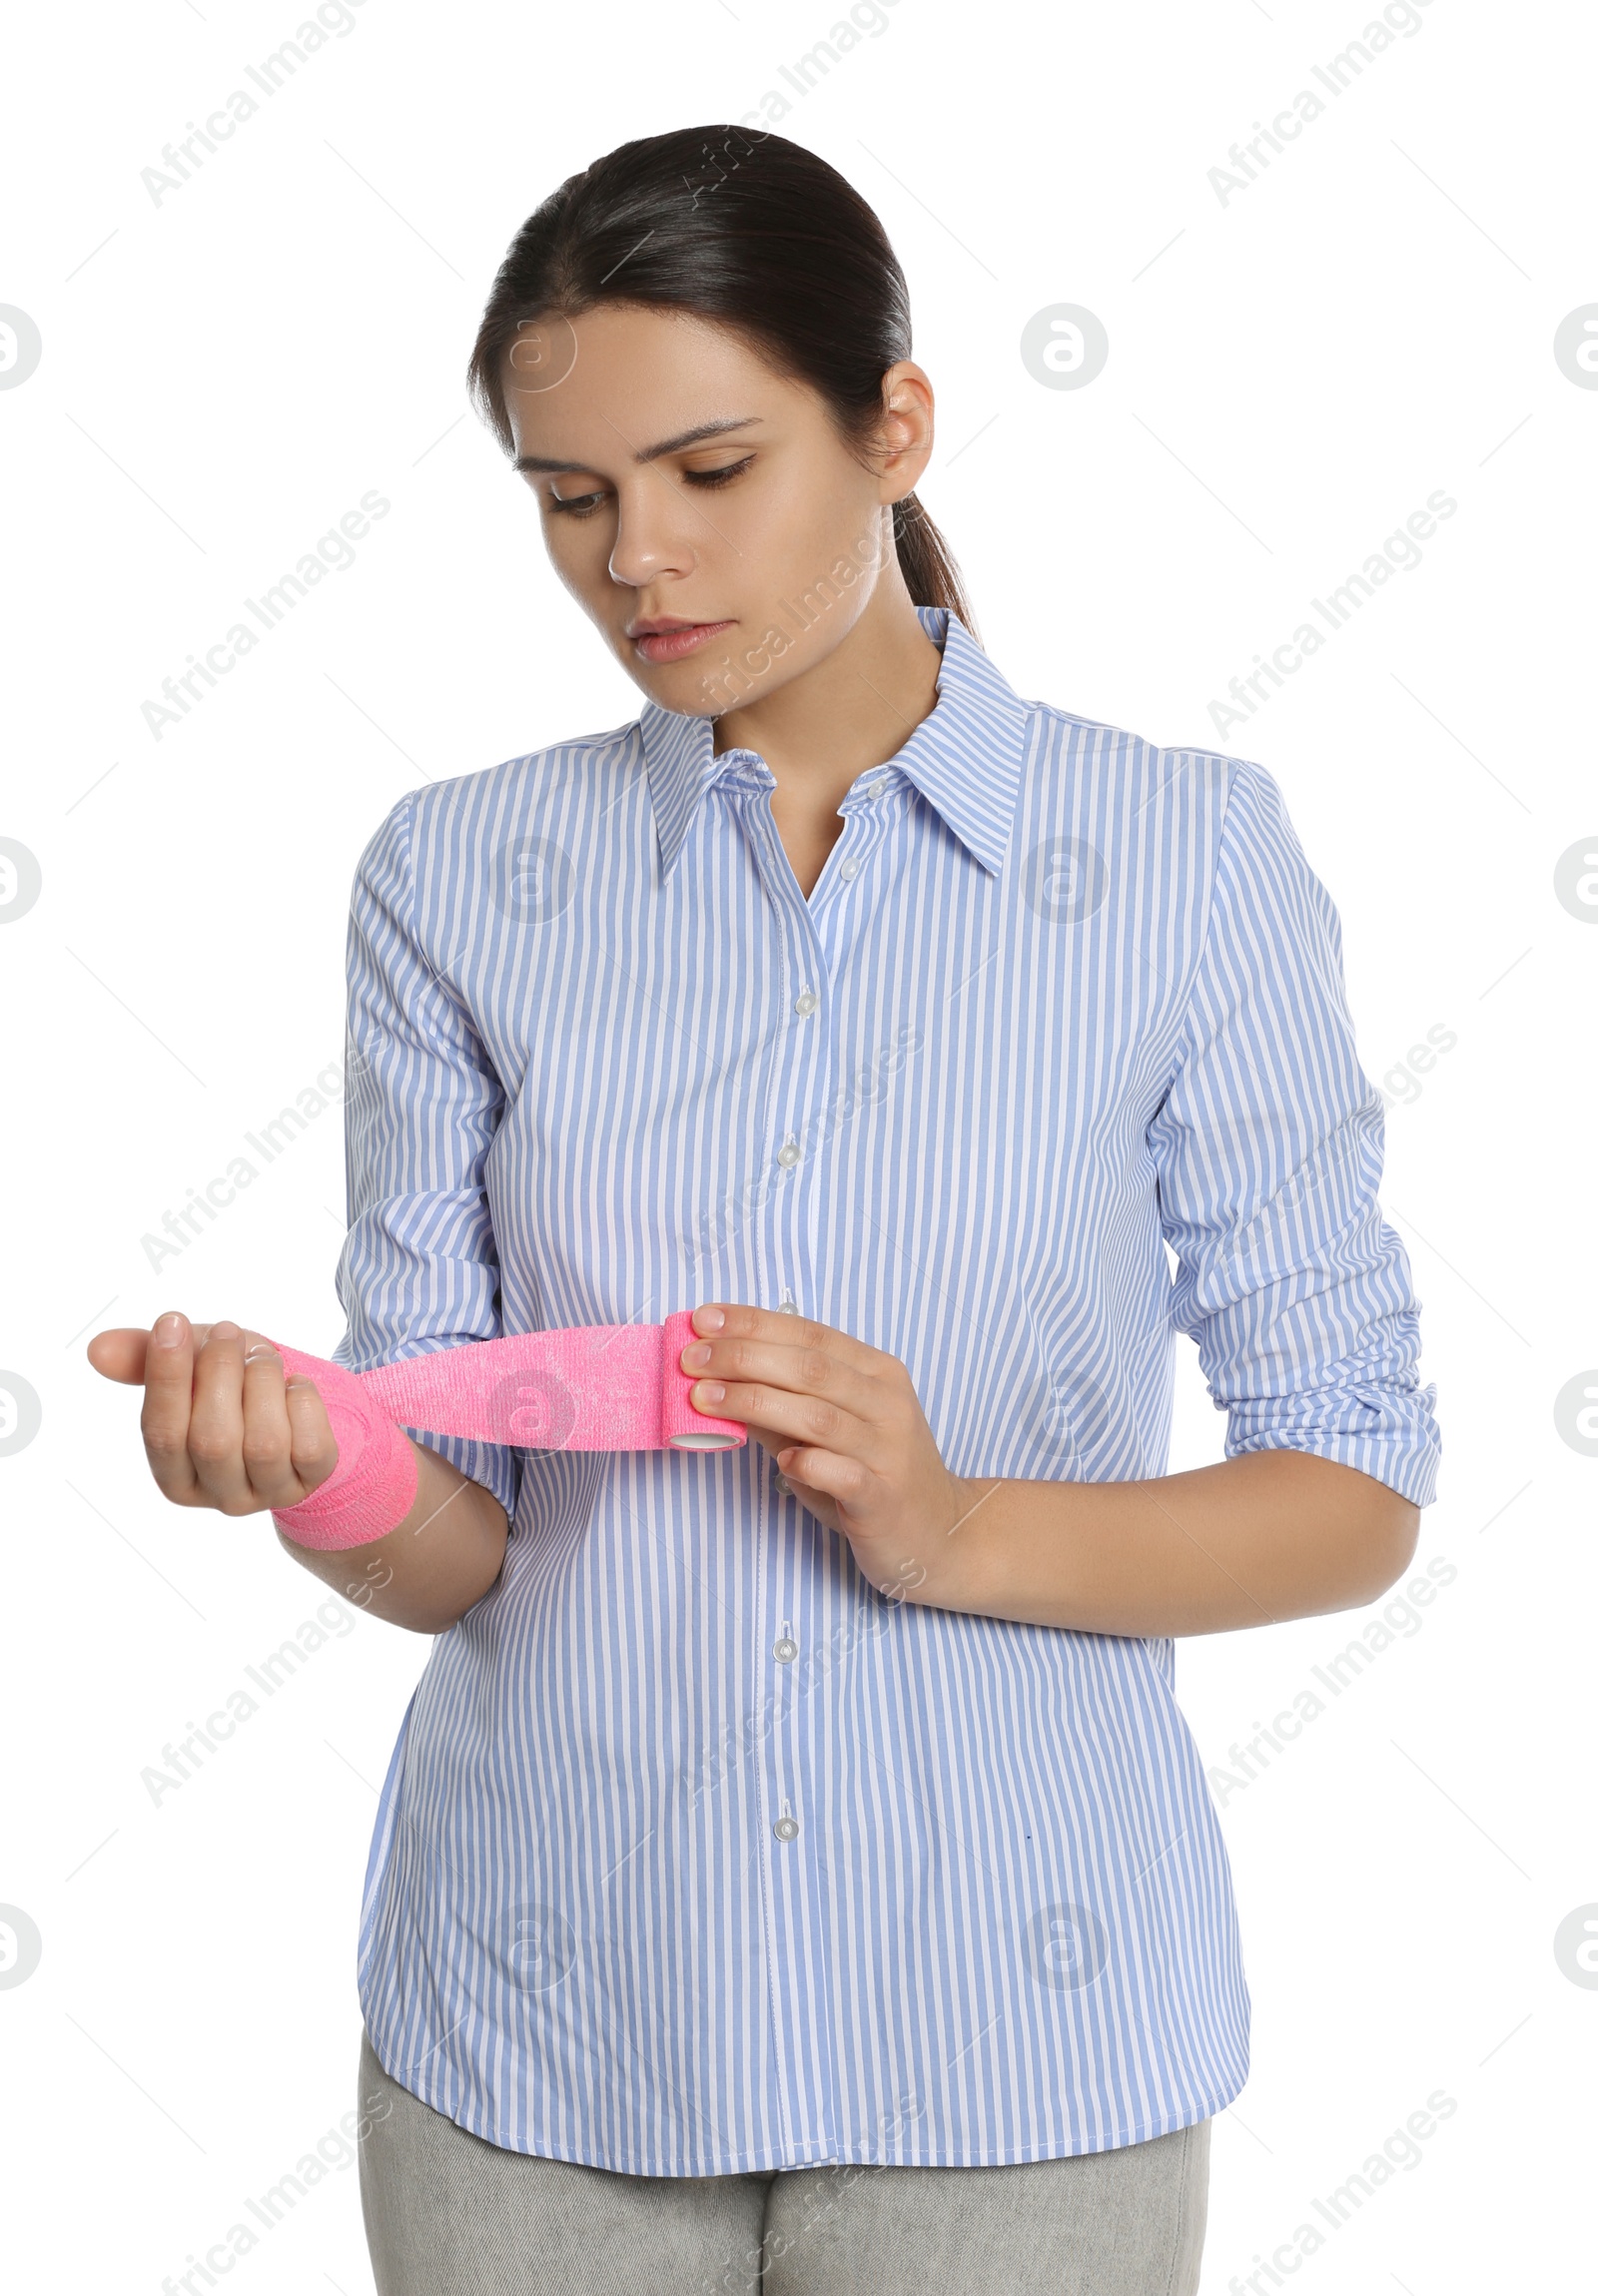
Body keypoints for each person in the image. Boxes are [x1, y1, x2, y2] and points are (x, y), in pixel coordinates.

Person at [88, 124, 1440, 2295]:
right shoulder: (454, 882)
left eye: (710, 470)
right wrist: (315, 1464)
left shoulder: (1183, 862)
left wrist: (954, 1525)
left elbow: (1351, 1479)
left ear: (890, 422)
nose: (638, 558)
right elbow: (455, 1542)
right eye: (570, 498)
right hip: (541, 2036)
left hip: (1022, 2048)